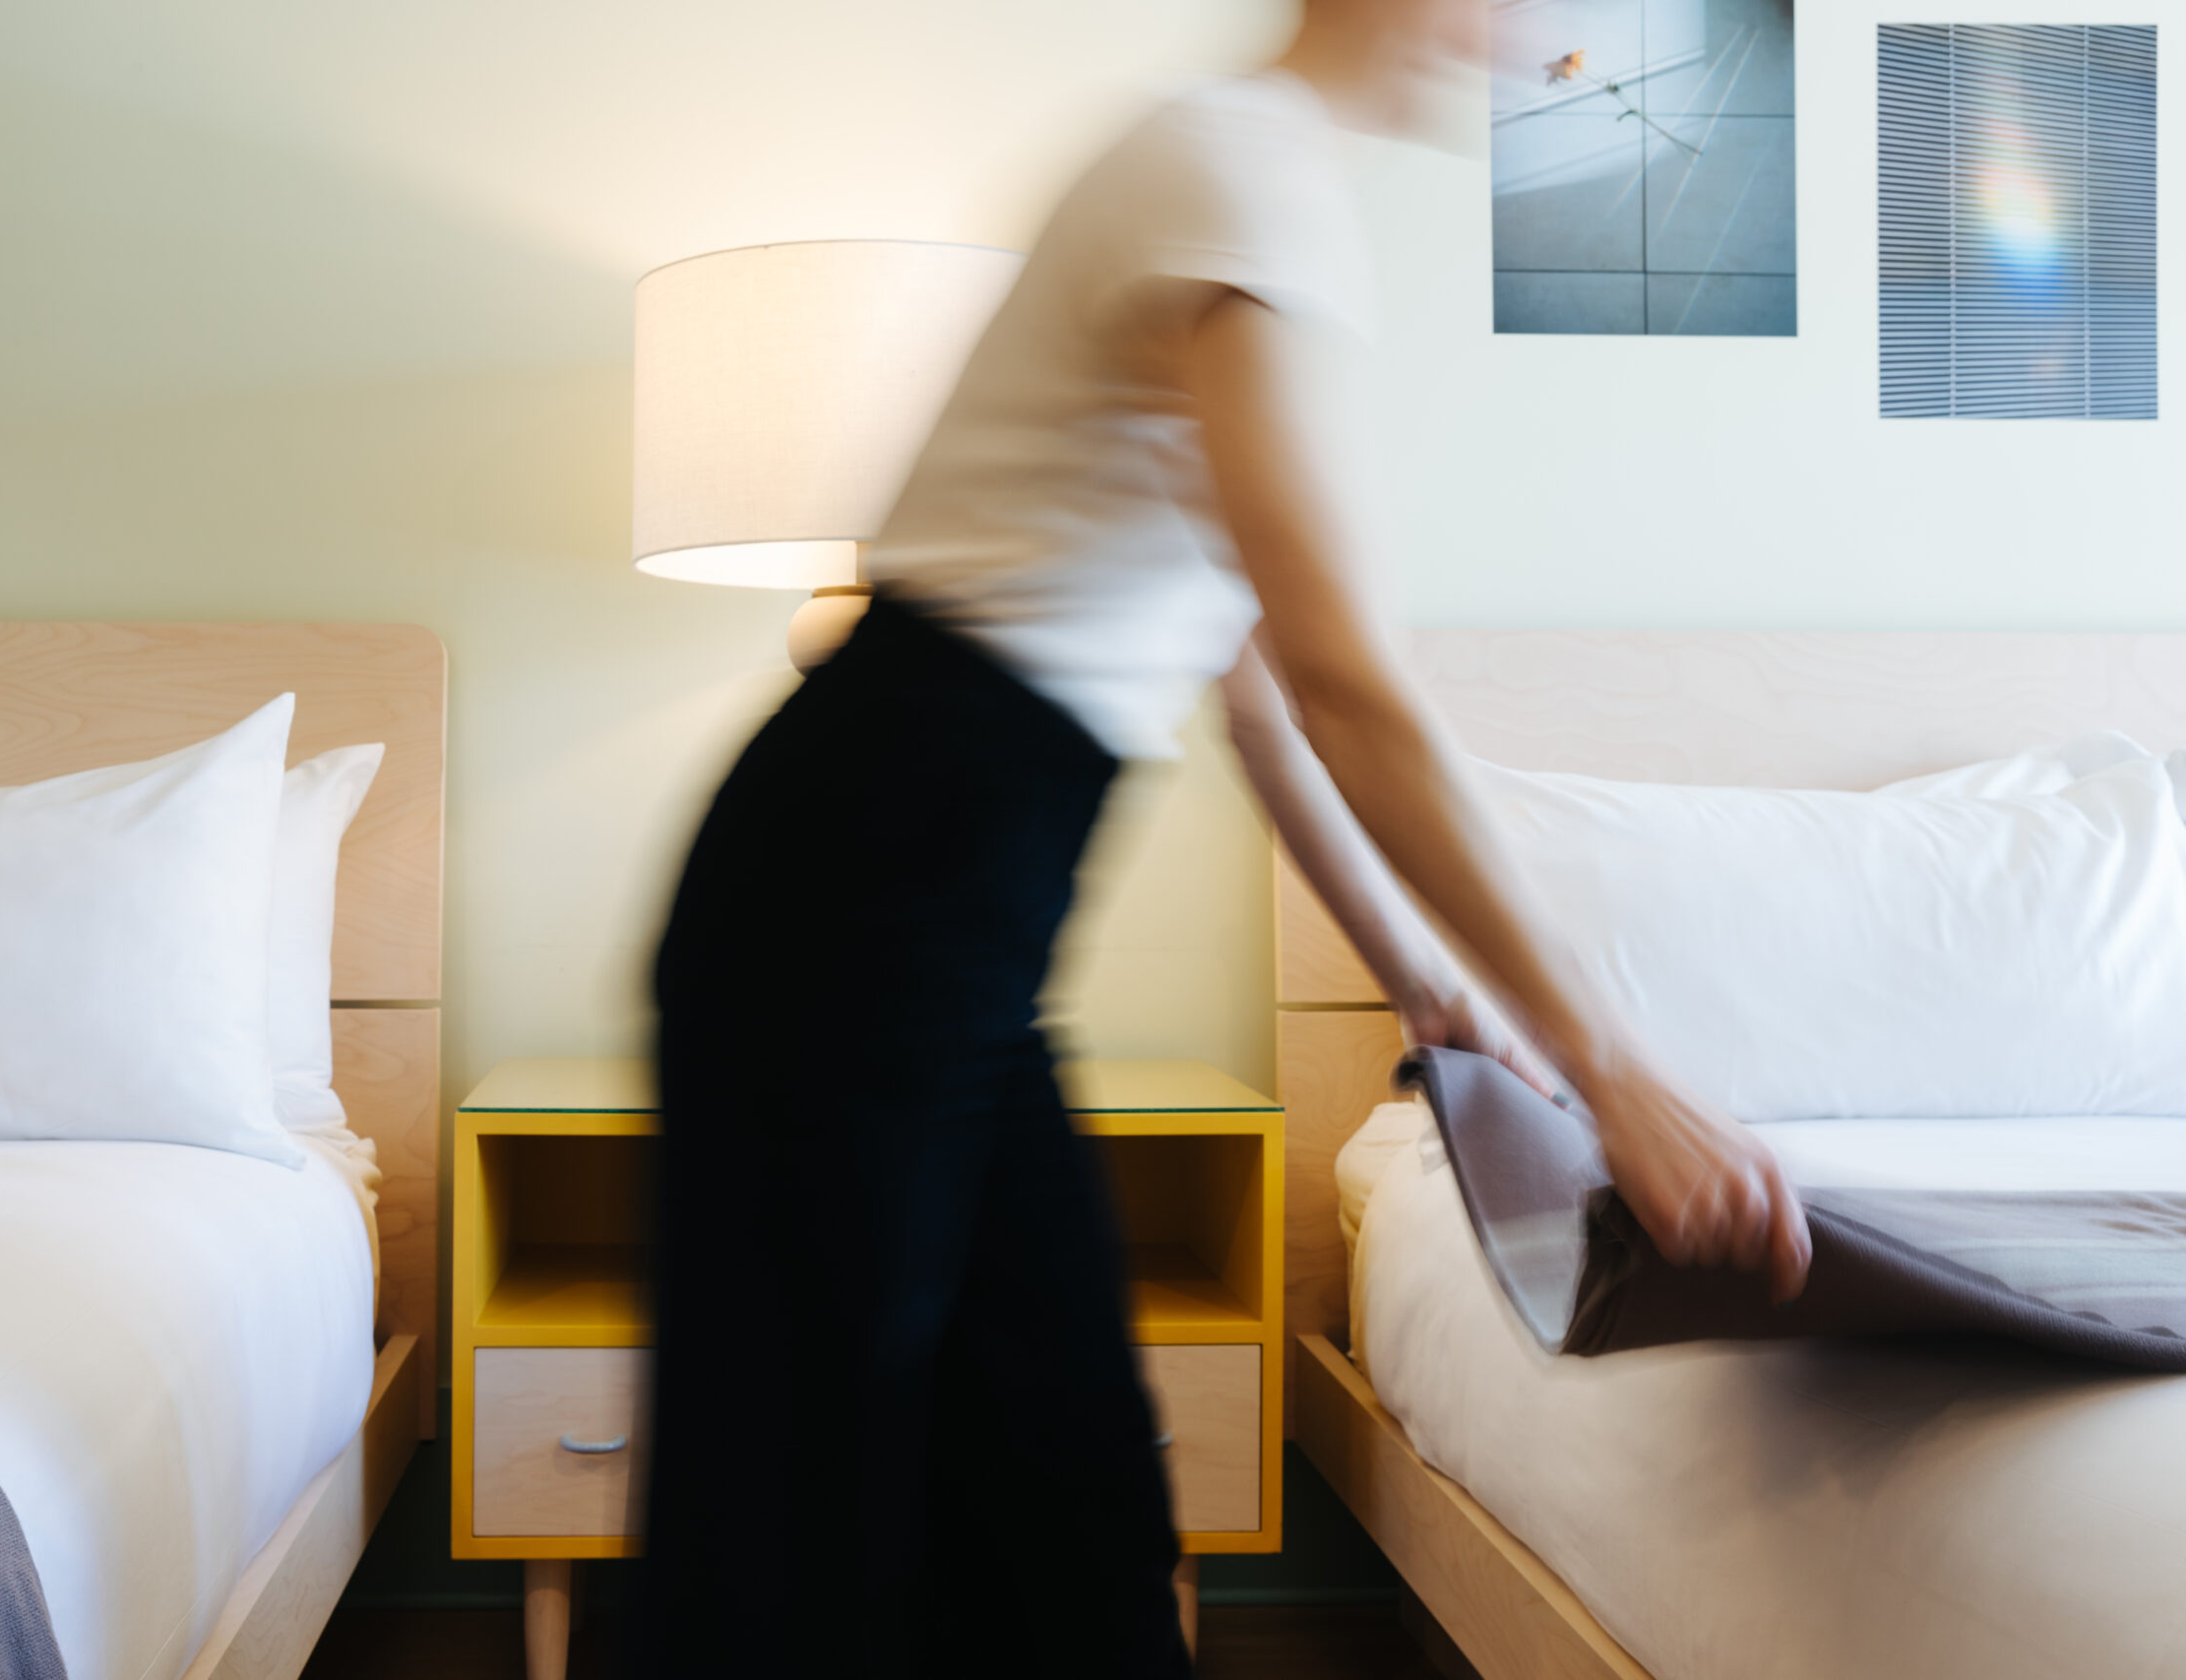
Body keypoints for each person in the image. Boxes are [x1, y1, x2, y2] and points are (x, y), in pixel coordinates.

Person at [637, 0, 1813, 1674]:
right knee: (807, 1533)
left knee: (1064, 1506)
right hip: (864, 896)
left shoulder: (1246, 178)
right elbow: (1348, 681)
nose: (1524, 37)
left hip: (925, 912)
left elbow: (1257, 687)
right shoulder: (1232, 172)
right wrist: (1613, 1069)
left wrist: (1425, 981)